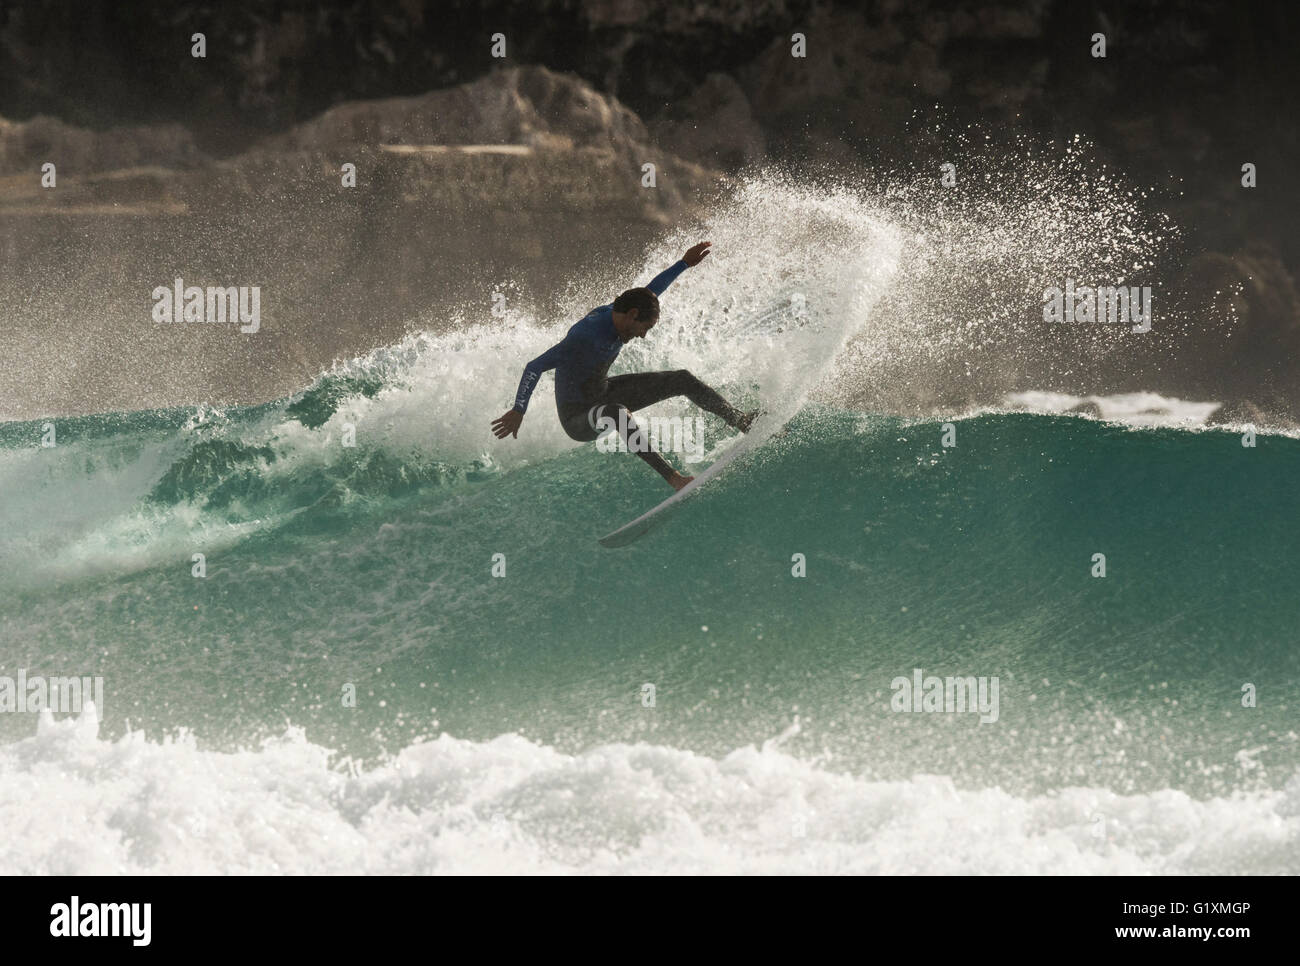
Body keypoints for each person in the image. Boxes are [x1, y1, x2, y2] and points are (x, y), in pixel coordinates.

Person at [491, 241, 757, 490]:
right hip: (578, 418)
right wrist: (518, 409)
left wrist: (684, 263)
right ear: (632, 315)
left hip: (603, 391)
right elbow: (535, 366)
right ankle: (674, 479)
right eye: (645, 327)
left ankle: (741, 421)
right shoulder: (585, 337)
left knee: (682, 379)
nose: (643, 334)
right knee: (617, 412)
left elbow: (652, 290)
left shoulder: (622, 312)